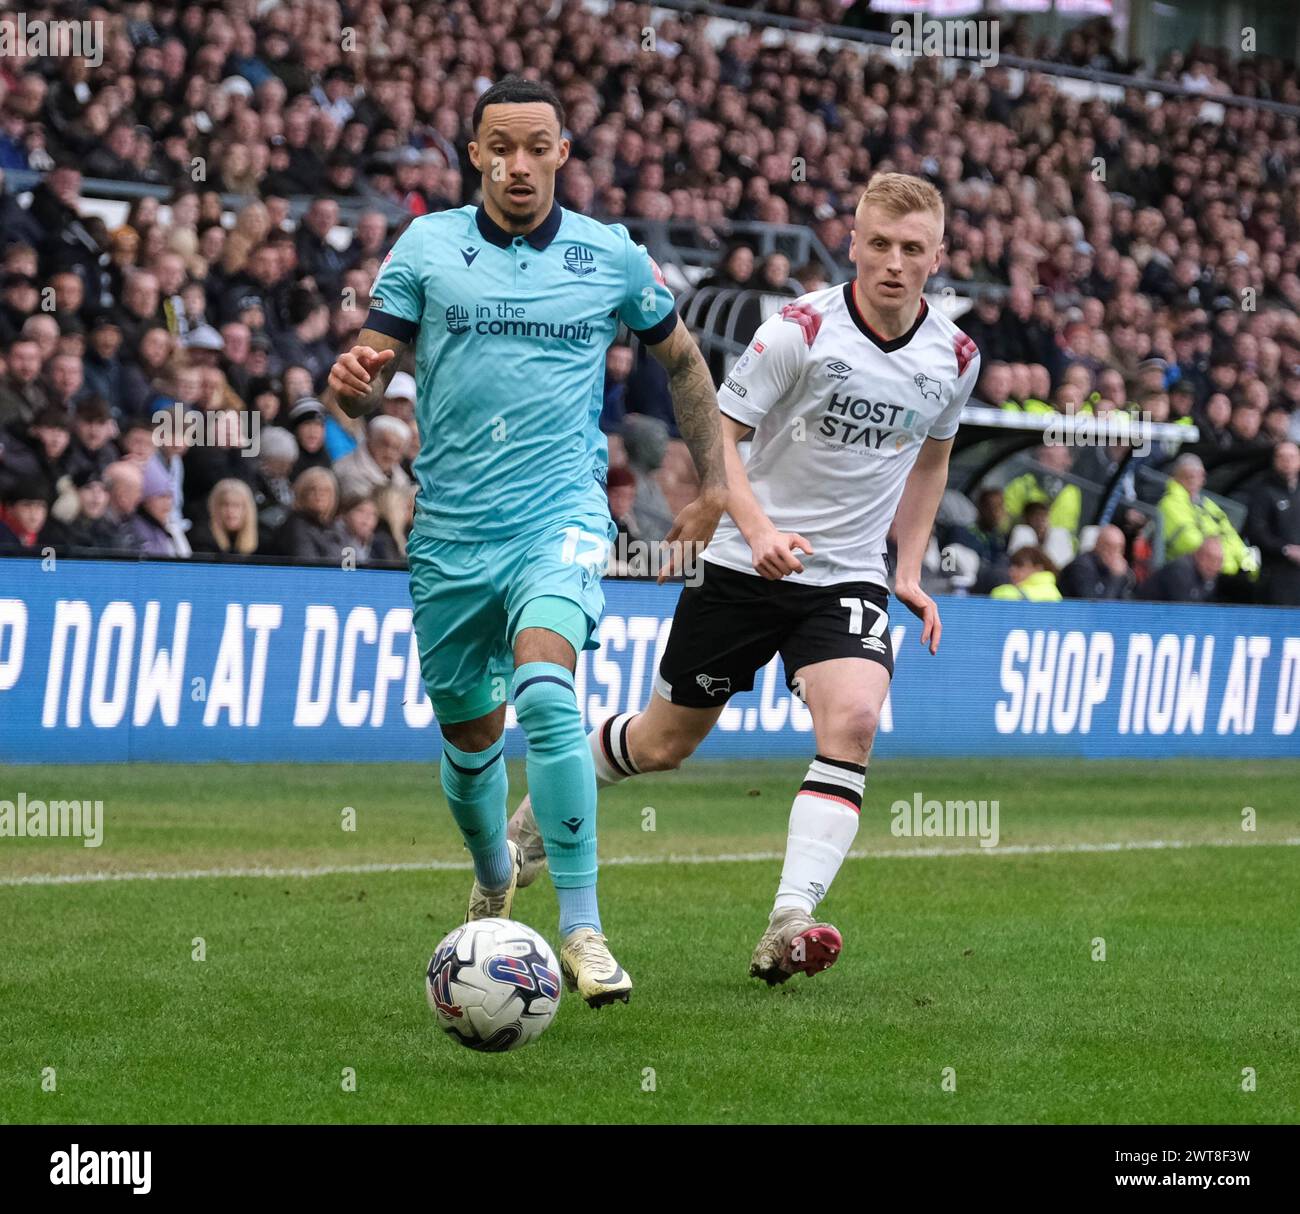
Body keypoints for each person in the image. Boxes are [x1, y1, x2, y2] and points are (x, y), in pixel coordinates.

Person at [509, 171, 980, 985]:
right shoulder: (796, 331)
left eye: (912, 249)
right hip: (740, 565)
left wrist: (907, 567)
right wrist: (754, 527)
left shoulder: (957, 356)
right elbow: (717, 433)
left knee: (857, 724)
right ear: (853, 245)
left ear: (939, 255)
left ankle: (789, 919)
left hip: (845, 579)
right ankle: (537, 815)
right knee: (663, 744)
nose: (894, 263)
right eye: (879, 245)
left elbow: (932, 457)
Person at [325, 76, 726, 1008]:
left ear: (561, 154)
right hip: (451, 534)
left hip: (560, 516)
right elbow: (359, 382)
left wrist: (712, 485)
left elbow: (685, 363)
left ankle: (582, 929)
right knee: (471, 740)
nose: (517, 163)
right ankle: (494, 868)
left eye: (535, 146)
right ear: (475, 155)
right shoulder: (427, 248)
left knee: (548, 691)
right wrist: (348, 384)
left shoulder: (609, 257)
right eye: (498, 147)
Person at [1246, 441, 1300, 605]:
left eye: (1291, 457)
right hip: (1276, 575)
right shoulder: (1263, 491)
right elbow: (1256, 531)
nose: (1287, 461)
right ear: (1274, 460)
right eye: (1282, 457)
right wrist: (1285, 549)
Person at [270, 466, 345, 562]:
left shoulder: (335, 526)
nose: (319, 495)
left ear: (333, 496)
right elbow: (308, 567)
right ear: (301, 493)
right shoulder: (296, 526)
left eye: (325, 491)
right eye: (312, 489)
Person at [1058, 524, 1135, 599]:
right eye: (1108, 547)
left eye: (1119, 548)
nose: (1114, 553)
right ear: (1098, 545)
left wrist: (1123, 578)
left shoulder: (1114, 569)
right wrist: (1116, 578)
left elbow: (1125, 603)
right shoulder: (1081, 567)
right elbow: (1094, 607)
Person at [190, 478, 262, 556]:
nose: (230, 510)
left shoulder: (264, 539)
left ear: (248, 509)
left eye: (236, 505)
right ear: (214, 508)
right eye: (225, 504)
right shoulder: (201, 539)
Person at [1143, 536, 1223, 603]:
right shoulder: (1180, 571)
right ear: (1197, 554)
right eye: (1210, 558)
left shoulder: (1209, 576)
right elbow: (1182, 612)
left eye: (1219, 561)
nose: (1214, 565)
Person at [990, 546, 1063, 601]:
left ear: (1038, 568)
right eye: (1012, 566)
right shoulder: (1056, 595)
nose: (1012, 571)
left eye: (1019, 566)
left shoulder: (1005, 594)